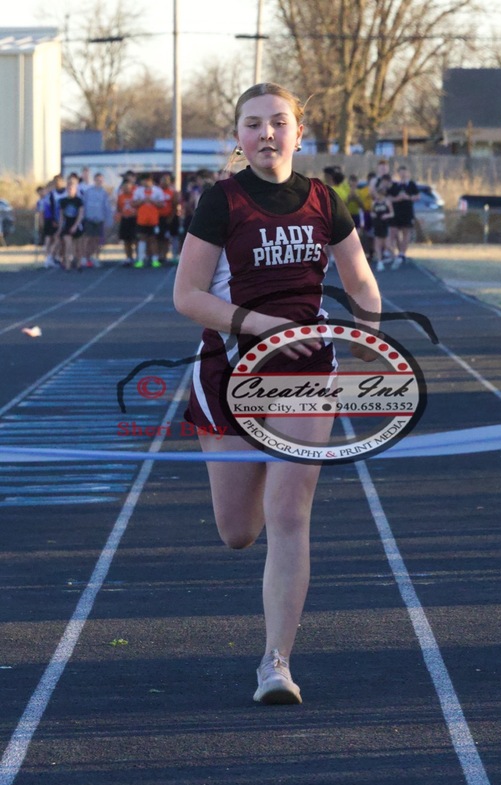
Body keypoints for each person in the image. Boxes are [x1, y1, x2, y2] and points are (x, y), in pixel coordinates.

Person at [173, 82, 381, 705]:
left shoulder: (323, 198)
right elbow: (187, 297)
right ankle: (258, 494)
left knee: (291, 516)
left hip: (308, 374)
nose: (267, 133)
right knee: (238, 530)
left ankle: (276, 663)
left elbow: (362, 284)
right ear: (237, 137)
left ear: (298, 130)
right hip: (231, 373)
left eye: (279, 122)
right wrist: (264, 328)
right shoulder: (221, 201)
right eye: (253, 124)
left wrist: (371, 341)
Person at [388, 166, 420, 269]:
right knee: (394, 233)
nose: (403, 175)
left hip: (407, 212)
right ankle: (392, 253)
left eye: (404, 173)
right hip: (396, 213)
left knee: (406, 232)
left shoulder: (411, 184)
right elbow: (389, 198)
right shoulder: (394, 185)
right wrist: (398, 198)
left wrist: (408, 197)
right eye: (401, 173)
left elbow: (417, 196)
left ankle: (402, 253)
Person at [132, 174, 165, 268]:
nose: (145, 183)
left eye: (147, 180)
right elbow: (133, 203)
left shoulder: (157, 191)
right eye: (144, 181)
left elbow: (162, 204)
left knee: (153, 239)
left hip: (153, 220)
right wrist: (142, 200)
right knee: (141, 239)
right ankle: (140, 259)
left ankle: (155, 260)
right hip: (141, 220)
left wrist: (152, 201)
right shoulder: (138, 191)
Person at [82, 173, 113, 267]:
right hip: (89, 219)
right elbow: (84, 205)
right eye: (97, 180)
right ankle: (85, 257)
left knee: (98, 240)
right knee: (88, 239)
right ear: (94, 180)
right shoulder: (88, 191)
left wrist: (108, 221)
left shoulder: (104, 193)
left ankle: (94, 257)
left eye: (101, 180)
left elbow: (107, 207)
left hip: (100, 220)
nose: (99, 182)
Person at [58, 174, 84, 270]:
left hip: (76, 224)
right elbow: (61, 216)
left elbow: (80, 214)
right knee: (68, 244)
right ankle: (67, 264)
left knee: (77, 246)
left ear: (75, 189)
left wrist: (75, 226)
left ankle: (78, 263)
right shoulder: (63, 201)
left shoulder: (79, 201)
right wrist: (60, 228)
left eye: (72, 188)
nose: (70, 190)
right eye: (68, 188)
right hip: (67, 224)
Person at [370, 176, 394, 272]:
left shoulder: (387, 202)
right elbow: (371, 212)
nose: (378, 196)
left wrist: (386, 216)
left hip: (384, 225)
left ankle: (394, 257)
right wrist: (373, 214)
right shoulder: (374, 203)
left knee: (387, 244)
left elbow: (392, 213)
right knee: (377, 244)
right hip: (377, 225)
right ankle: (380, 262)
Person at [115, 176, 138, 267]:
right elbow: (119, 208)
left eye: (128, 186)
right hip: (125, 219)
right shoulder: (121, 196)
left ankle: (137, 256)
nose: (126, 188)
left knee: (135, 239)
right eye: (125, 187)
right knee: (126, 239)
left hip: (134, 219)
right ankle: (129, 257)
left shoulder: (135, 195)